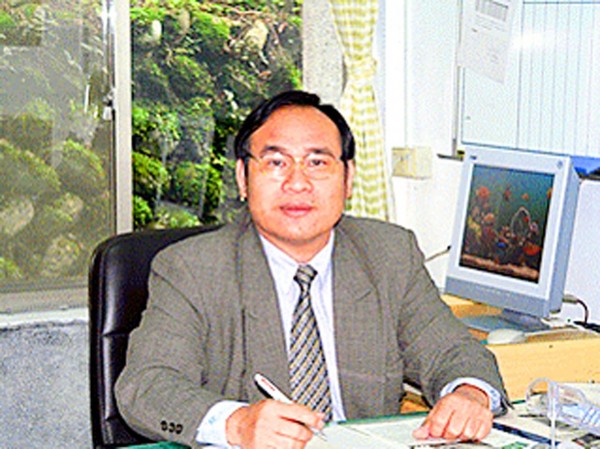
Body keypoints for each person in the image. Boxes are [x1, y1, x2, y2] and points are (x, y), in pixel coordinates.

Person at [115, 90, 508, 449]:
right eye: (276, 162)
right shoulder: (192, 268)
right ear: (242, 178)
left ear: (348, 177)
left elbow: (454, 351)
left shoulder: (390, 254)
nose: (297, 182)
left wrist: (469, 394)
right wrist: (236, 423)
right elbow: (147, 386)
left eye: (318, 162)